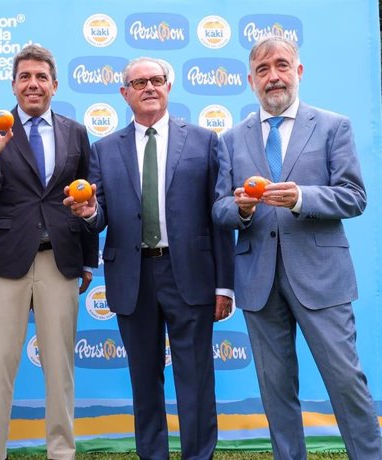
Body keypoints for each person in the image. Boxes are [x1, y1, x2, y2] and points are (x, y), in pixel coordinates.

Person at [212, 36, 381, 459]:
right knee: (275, 388)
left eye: (282, 66)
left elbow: (353, 196)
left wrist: (302, 198)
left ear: (299, 72)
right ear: (250, 80)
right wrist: (242, 209)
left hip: (321, 277)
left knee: (345, 380)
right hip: (258, 281)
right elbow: (219, 208)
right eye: (263, 70)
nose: (274, 77)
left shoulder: (332, 126)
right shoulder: (231, 138)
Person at [65, 57, 234, 459]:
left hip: (190, 274)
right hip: (132, 277)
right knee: (144, 379)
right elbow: (99, 211)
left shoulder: (205, 141)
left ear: (169, 86)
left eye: (156, 80)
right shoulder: (104, 149)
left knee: (196, 378)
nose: (149, 88)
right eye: (138, 82)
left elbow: (220, 217)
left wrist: (224, 284)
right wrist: (89, 213)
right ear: (124, 94)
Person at [0, 44, 98, 460]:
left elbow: (87, 200)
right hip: (6, 259)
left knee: (60, 364)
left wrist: (87, 259)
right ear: (13, 84)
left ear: (54, 85)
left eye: (41, 77)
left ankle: (61, 451)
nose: (33, 84)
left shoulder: (75, 131)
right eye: (25, 76)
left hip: (59, 258)